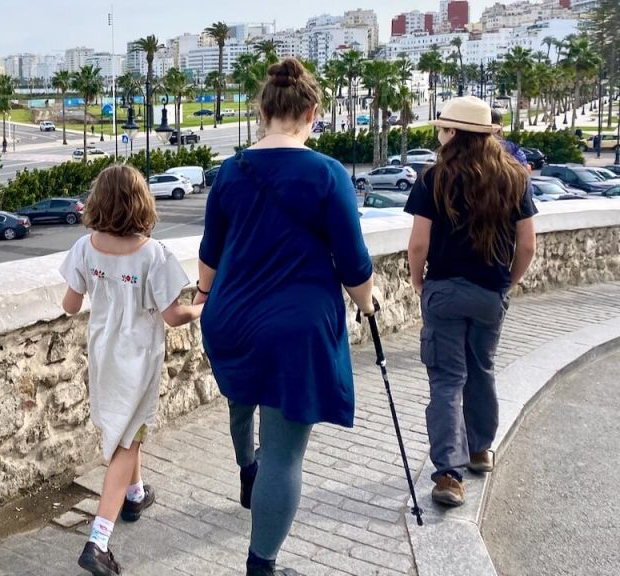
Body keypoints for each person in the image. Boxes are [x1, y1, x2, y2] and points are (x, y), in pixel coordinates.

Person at [196, 58, 375, 576]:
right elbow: (354, 265)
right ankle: (262, 566)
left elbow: (210, 255)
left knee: (241, 399)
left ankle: (245, 470)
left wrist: (205, 296)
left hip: (231, 318)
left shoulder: (230, 172)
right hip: (295, 331)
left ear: (263, 111)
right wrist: (367, 303)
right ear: (312, 113)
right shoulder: (327, 174)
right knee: (284, 454)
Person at [60, 164, 204, 576]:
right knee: (127, 440)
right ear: (142, 203)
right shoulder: (154, 255)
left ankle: (136, 495)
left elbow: (70, 305)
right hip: (138, 359)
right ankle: (98, 540)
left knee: (126, 428)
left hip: (103, 354)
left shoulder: (85, 247)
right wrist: (201, 307)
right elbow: (173, 316)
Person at [404, 96, 537, 507]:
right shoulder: (515, 178)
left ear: (453, 133)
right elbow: (527, 246)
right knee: (481, 369)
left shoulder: (434, 178)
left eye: (443, 130)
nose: (440, 137)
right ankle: (480, 451)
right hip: (488, 293)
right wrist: (507, 283)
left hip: (444, 290)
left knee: (447, 380)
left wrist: (418, 281)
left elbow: (418, 244)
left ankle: (449, 475)